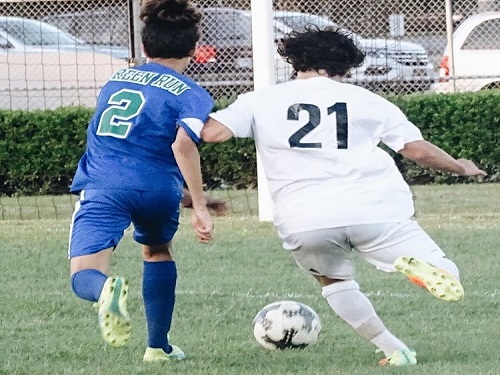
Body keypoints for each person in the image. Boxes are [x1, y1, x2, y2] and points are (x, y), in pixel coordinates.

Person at [201, 25, 487, 366]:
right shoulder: (368, 100)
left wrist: (184, 111)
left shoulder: (259, 100)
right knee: (446, 271)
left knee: (333, 281)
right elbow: (416, 150)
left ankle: (394, 349)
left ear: (295, 61)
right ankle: (426, 268)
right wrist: (461, 167)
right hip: (374, 210)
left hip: (305, 218)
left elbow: (212, 133)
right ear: (347, 67)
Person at [68, 0, 214, 363]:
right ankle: (158, 347)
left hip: (104, 185)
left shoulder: (116, 79)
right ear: (194, 50)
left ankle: (104, 291)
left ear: (145, 48)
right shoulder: (194, 94)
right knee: (157, 251)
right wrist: (199, 204)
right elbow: (184, 144)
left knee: (84, 273)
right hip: (158, 189)